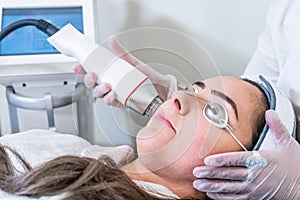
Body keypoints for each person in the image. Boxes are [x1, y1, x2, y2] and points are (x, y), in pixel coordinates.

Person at [0, 71, 292, 199]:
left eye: (216, 112)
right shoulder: (68, 147)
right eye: (192, 88)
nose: (179, 96)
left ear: (242, 172)